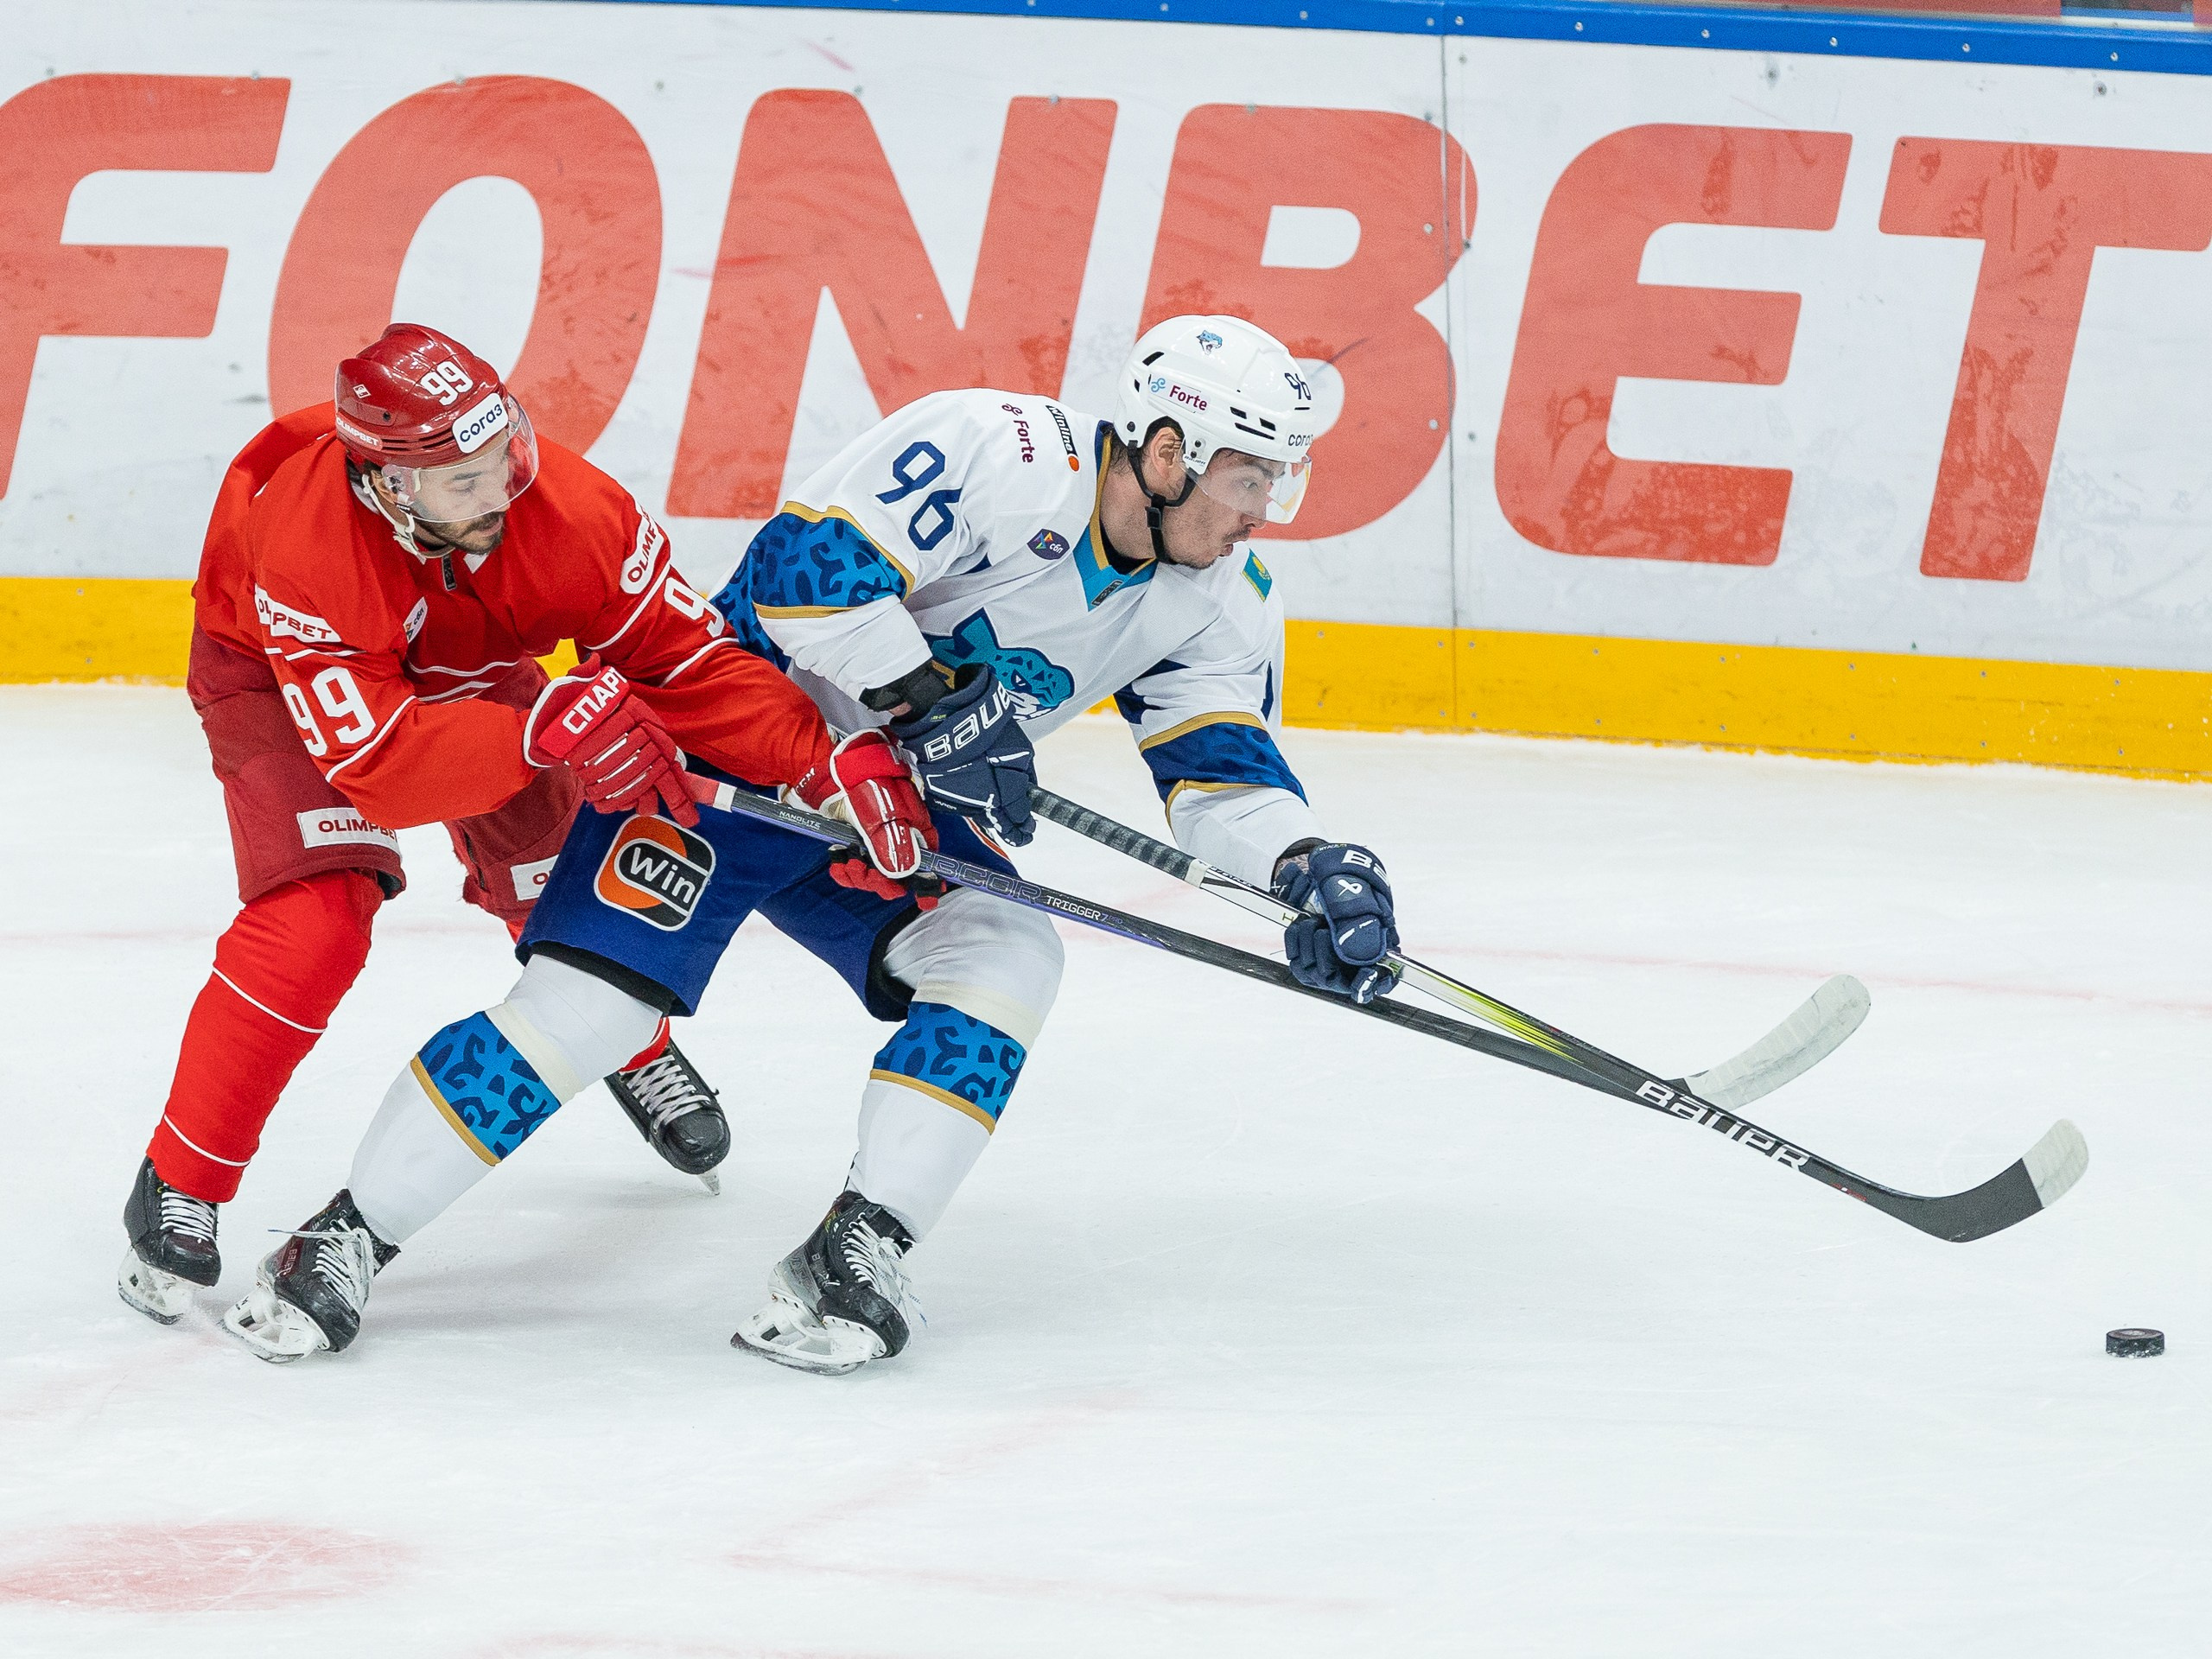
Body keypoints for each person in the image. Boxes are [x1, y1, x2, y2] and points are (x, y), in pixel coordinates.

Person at [226, 315, 1402, 1374]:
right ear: (1167, 451)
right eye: (1249, 477)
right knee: (591, 1012)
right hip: (738, 751)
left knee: (1006, 953)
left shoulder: (1223, 594)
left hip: (890, 805)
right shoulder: (998, 451)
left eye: (1277, 481)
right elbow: (802, 574)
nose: (1263, 511)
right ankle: (340, 1238)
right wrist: (932, 703)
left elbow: (1220, 776)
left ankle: (855, 1250)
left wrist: (1305, 870)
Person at [119, 322, 892, 1330]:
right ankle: (184, 1172)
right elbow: (381, 767)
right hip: (278, 681)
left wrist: (815, 758)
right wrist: (536, 730)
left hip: (472, 666)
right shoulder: (308, 542)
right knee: (318, 918)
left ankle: (629, 1038)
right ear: (389, 484)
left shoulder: (569, 509)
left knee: (558, 880)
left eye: (504, 454)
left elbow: (688, 662)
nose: (501, 491)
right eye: (463, 480)